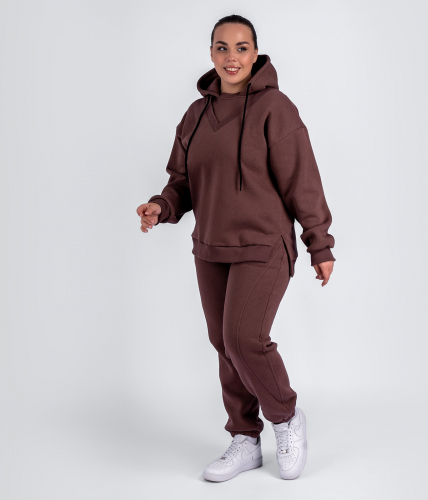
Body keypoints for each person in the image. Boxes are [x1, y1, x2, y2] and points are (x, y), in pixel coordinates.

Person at [136, 14, 336, 482]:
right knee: (224, 344)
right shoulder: (195, 115)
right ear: (210, 53)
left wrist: (319, 244)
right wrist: (161, 207)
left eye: (241, 48)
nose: (232, 57)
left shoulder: (275, 108)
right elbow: (182, 183)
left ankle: (286, 418)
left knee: (245, 339)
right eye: (222, 48)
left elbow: (303, 181)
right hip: (211, 247)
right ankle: (245, 438)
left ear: (256, 53)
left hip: (264, 245)